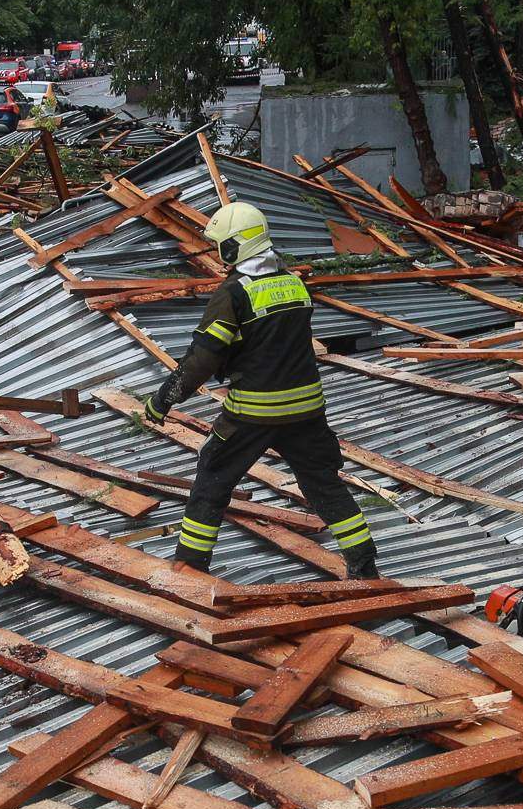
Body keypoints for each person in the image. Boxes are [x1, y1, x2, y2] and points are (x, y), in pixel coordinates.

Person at [138, 202, 377, 577]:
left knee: (212, 479)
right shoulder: (294, 282)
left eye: (221, 245)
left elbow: (203, 359)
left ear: (235, 246)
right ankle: (364, 566)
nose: (219, 254)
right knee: (323, 485)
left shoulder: (234, 293)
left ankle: (190, 567)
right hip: (307, 410)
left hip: (254, 412)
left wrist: (162, 399)